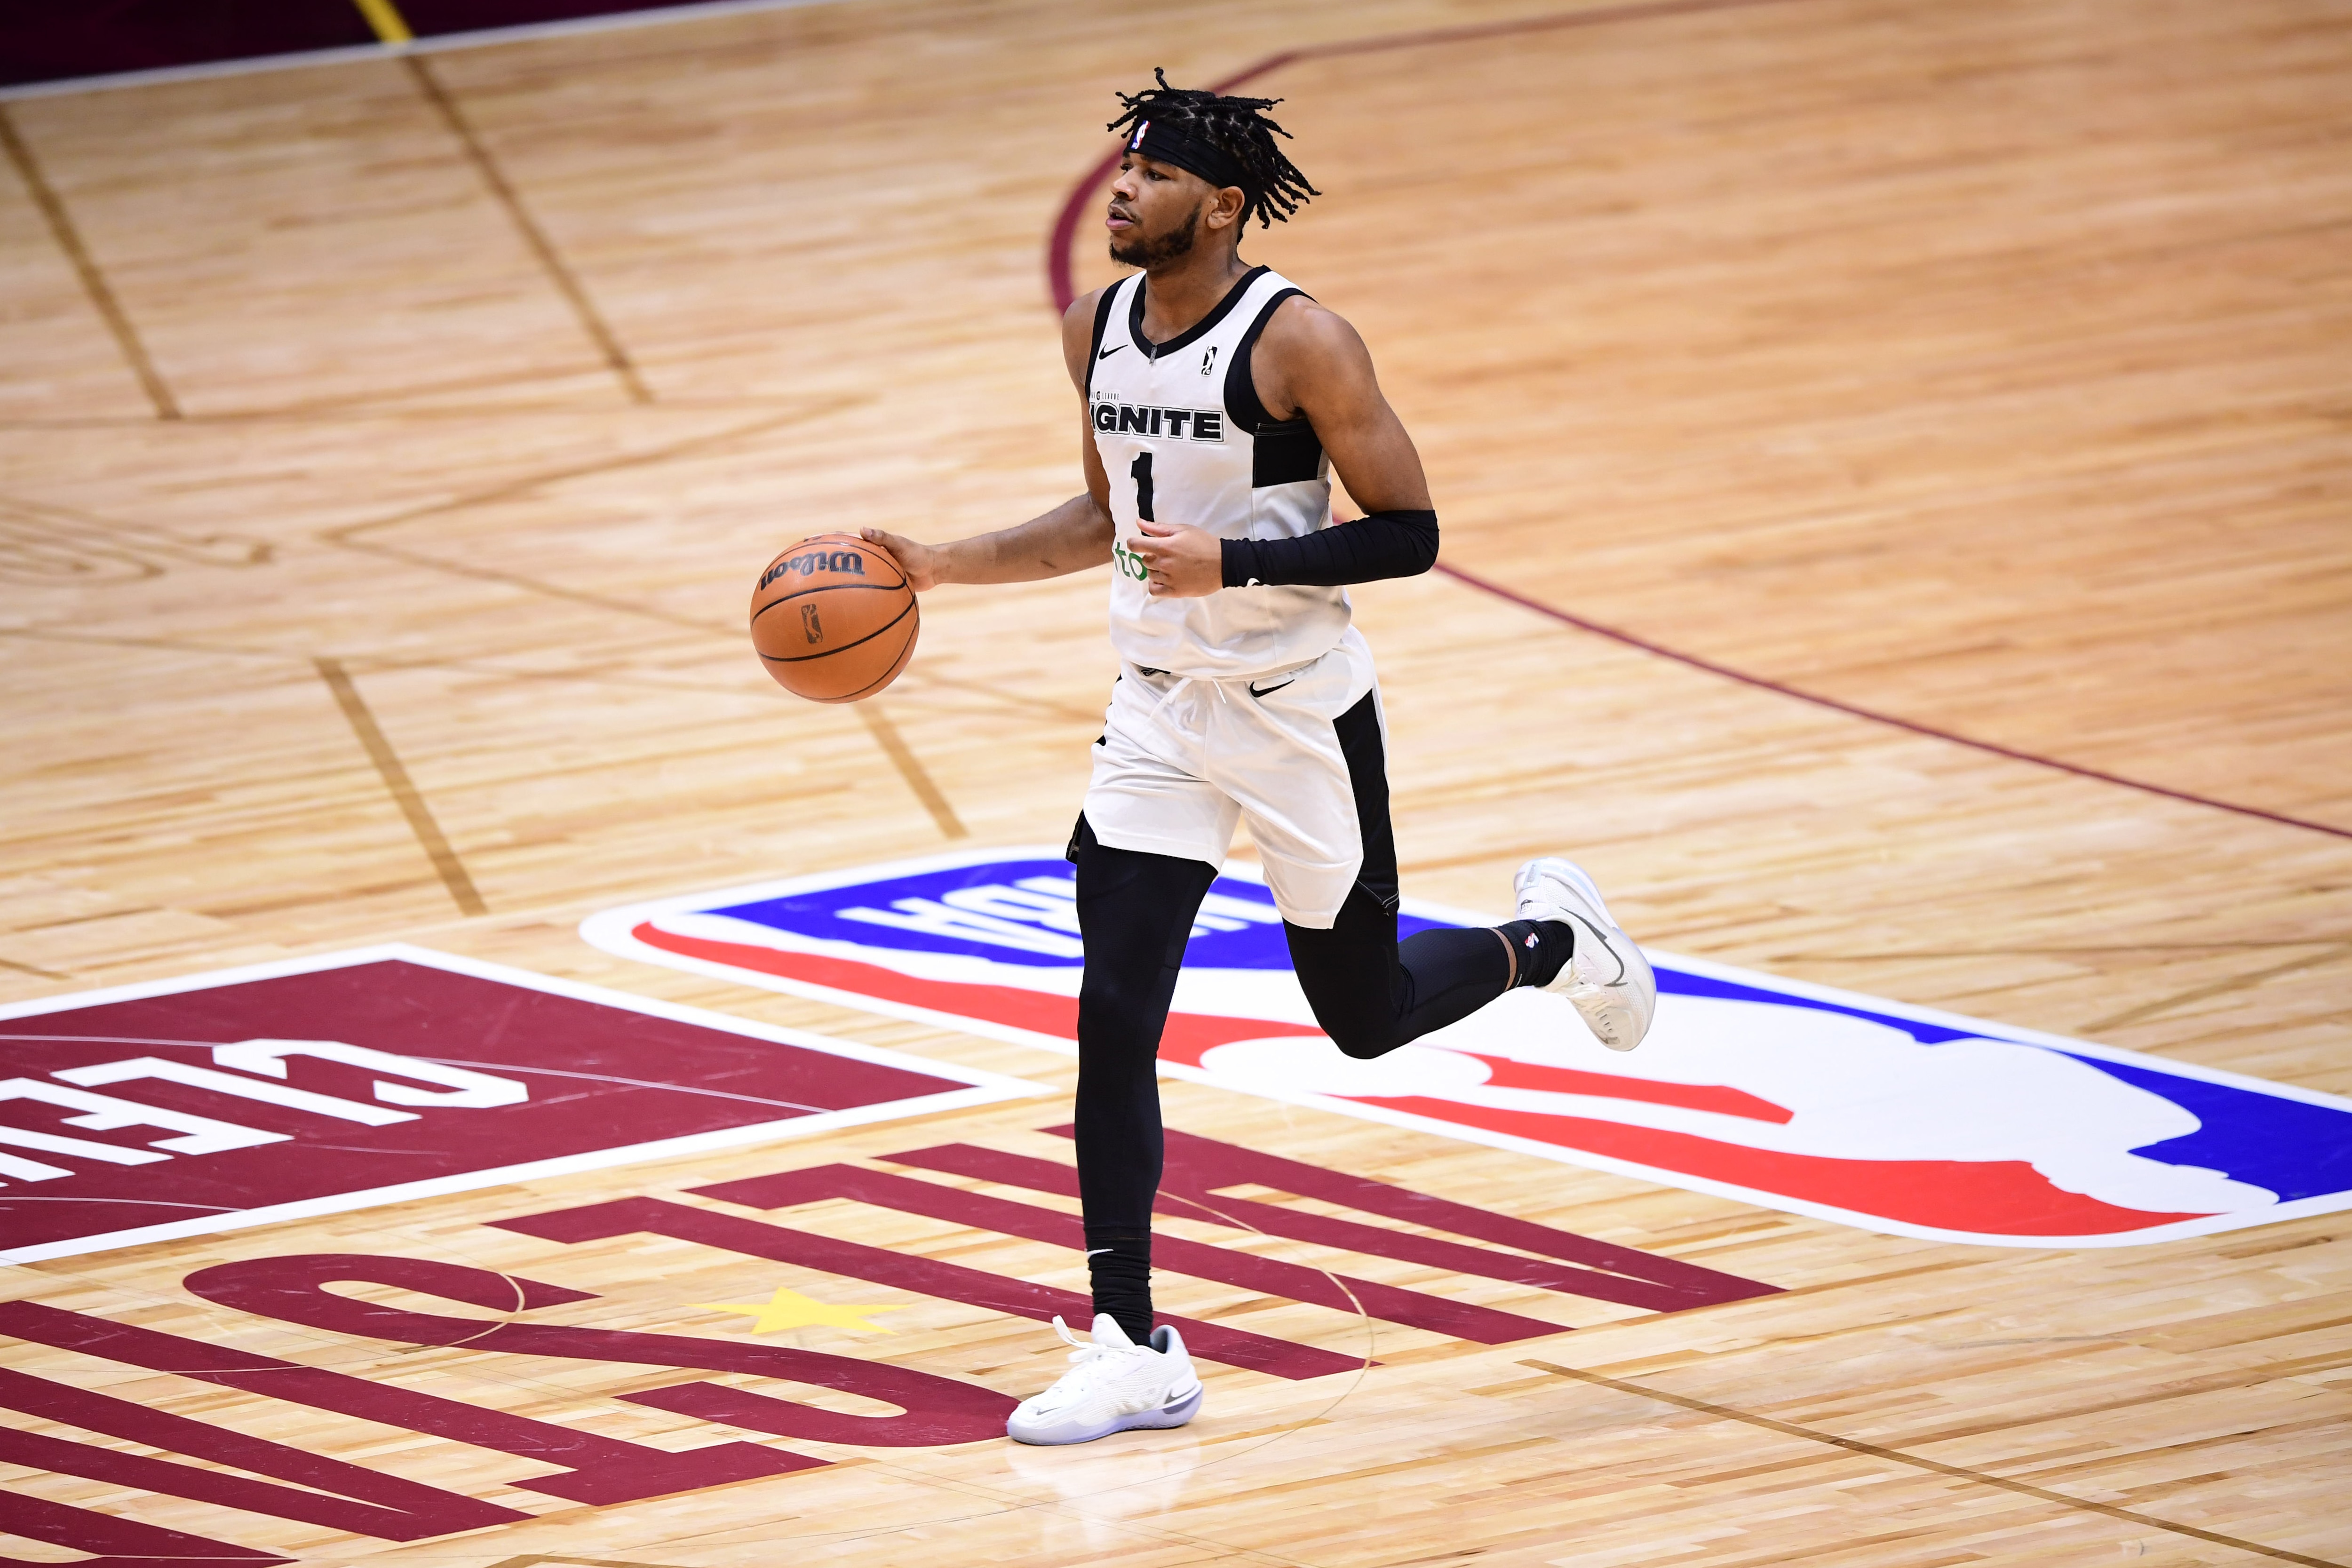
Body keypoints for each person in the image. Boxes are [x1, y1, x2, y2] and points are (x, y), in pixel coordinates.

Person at [861, 71, 1656, 1447]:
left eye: (1153, 174)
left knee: (1364, 1013)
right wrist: (939, 564)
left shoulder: (1304, 344)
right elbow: (1105, 520)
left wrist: (1241, 558)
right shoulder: (1094, 327)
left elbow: (1408, 532)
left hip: (1297, 713)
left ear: (1220, 206)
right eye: (1120, 169)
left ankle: (1549, 945)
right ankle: (1133, 1342)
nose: (1122, 189)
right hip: (1160, 717)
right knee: (1115, 1016)